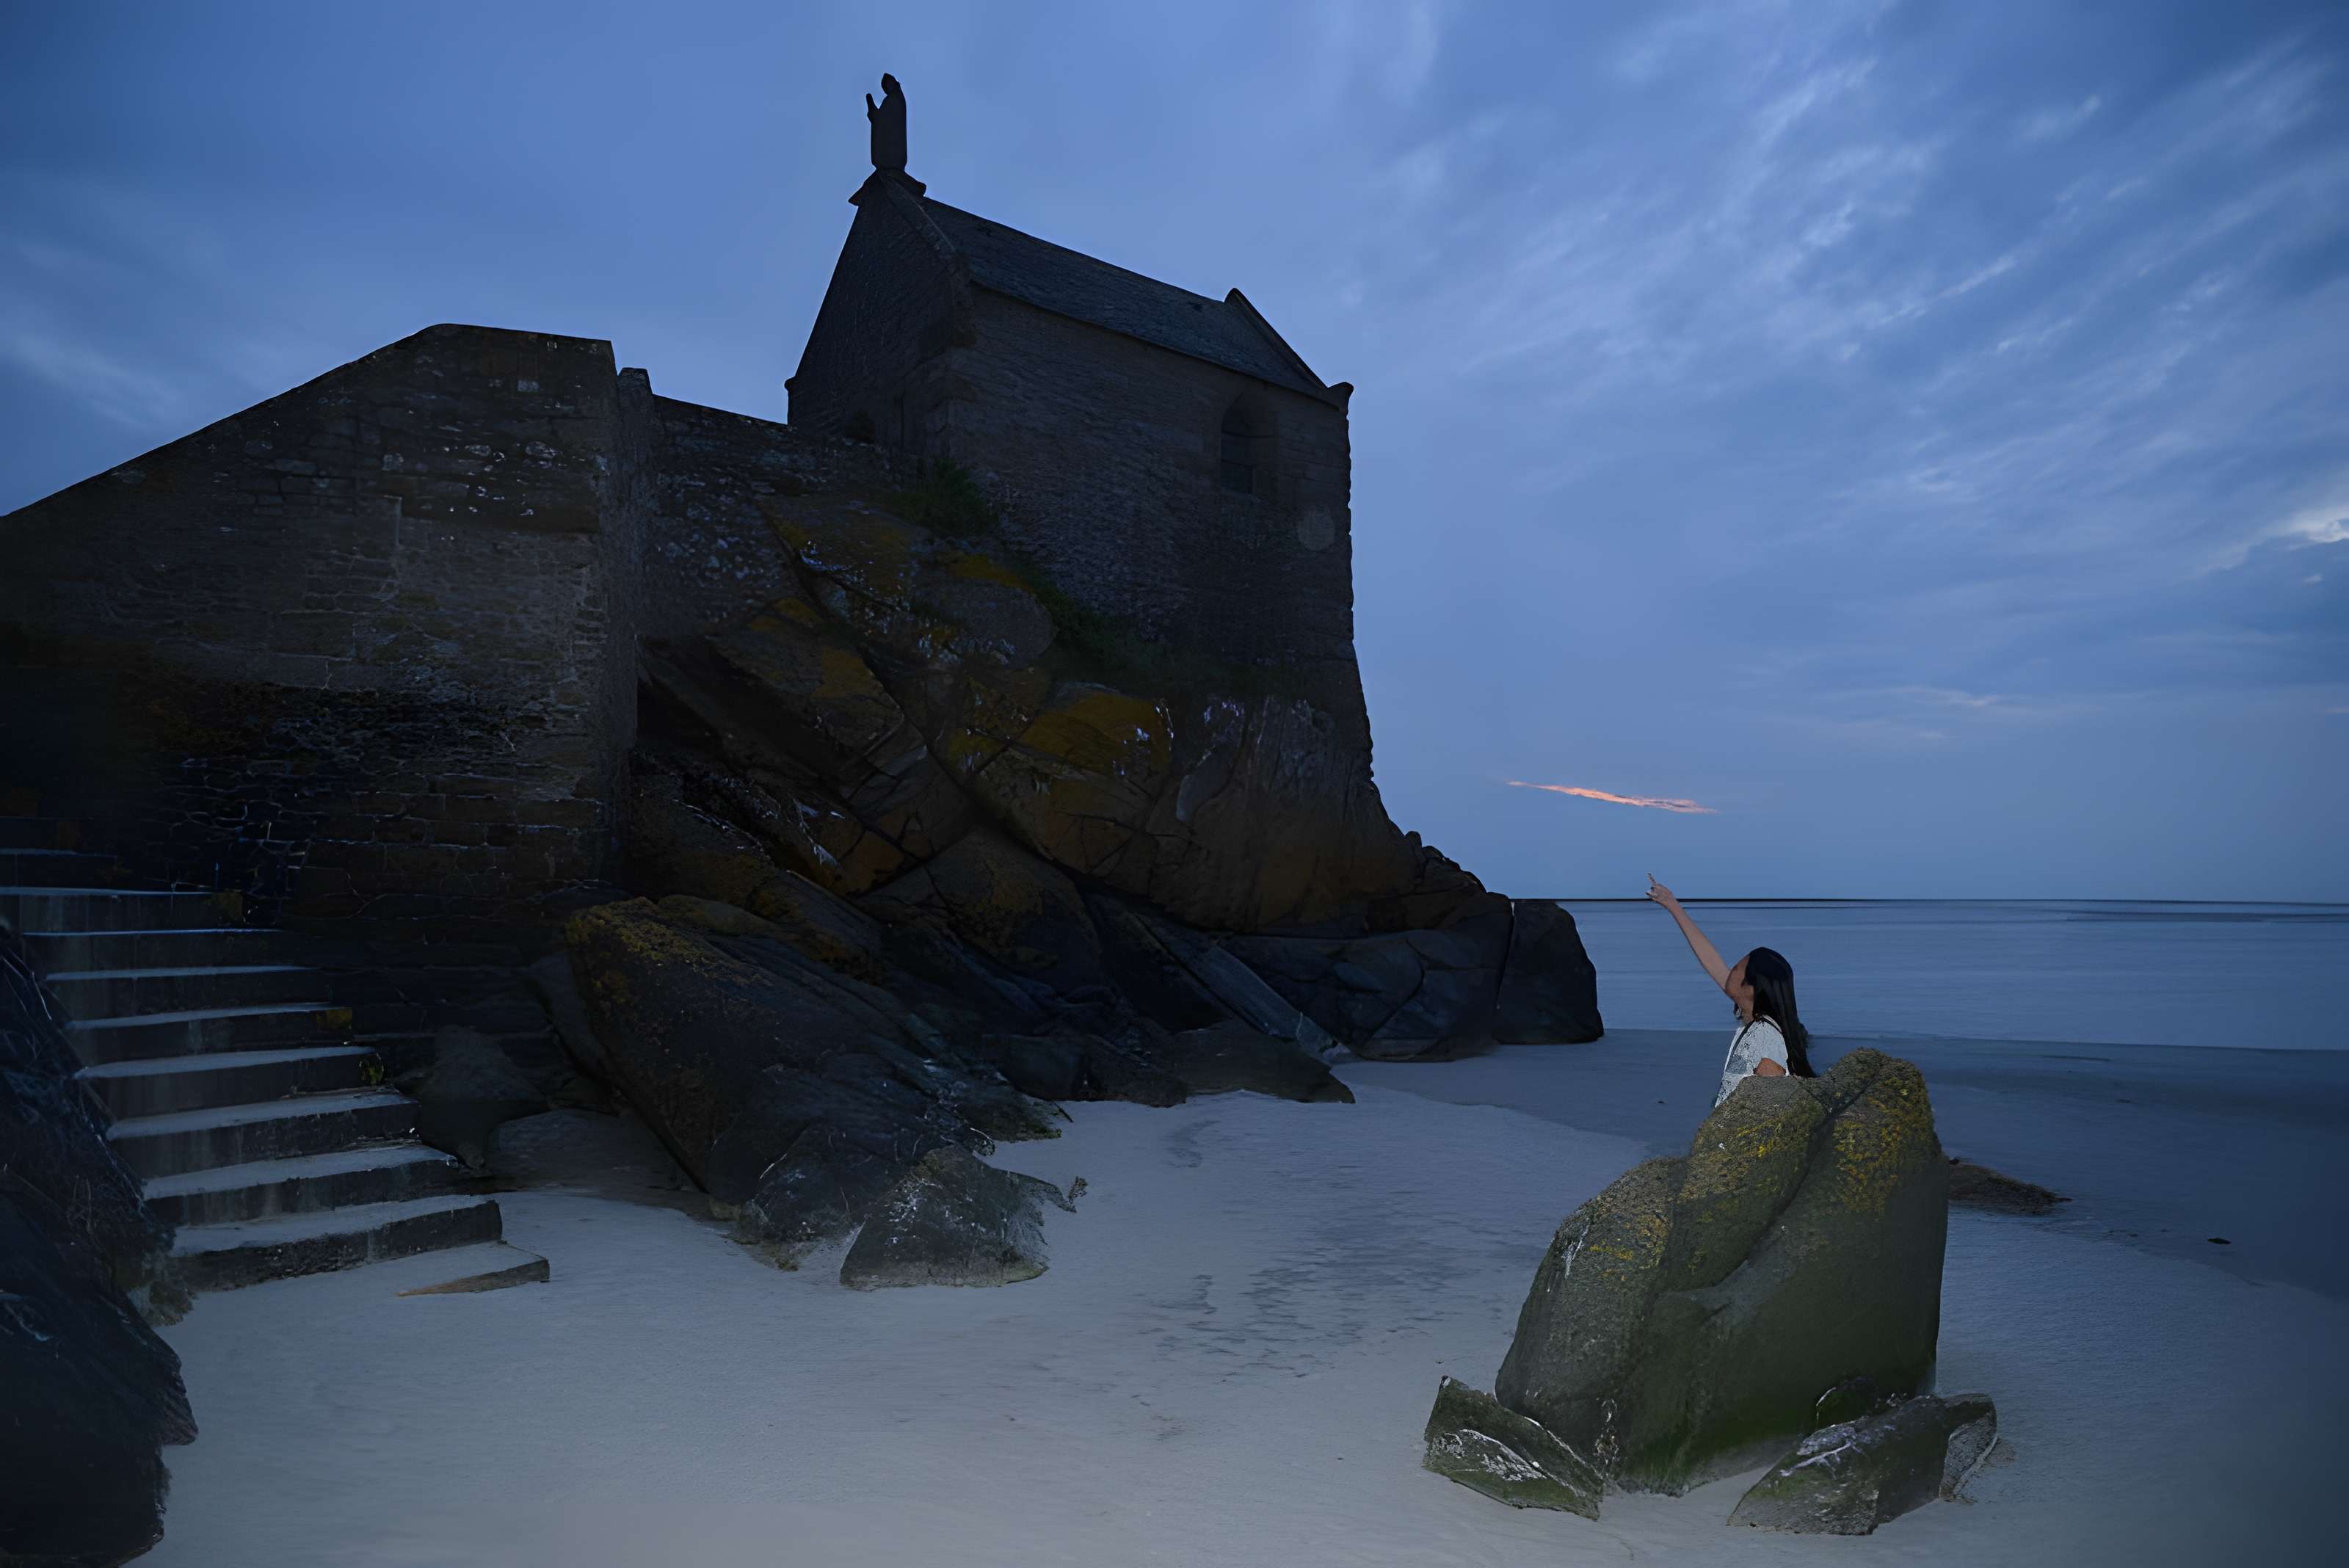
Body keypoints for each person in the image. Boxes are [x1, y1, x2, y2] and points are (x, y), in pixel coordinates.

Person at [1644, 874, 1815, 1106]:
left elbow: (1772, 1106)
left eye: (1736, 968)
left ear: (1752, 988)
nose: (1729, 971)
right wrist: (1672, 905)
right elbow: (1711, 960)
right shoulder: (1756, 1023)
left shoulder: (1765, 1036)